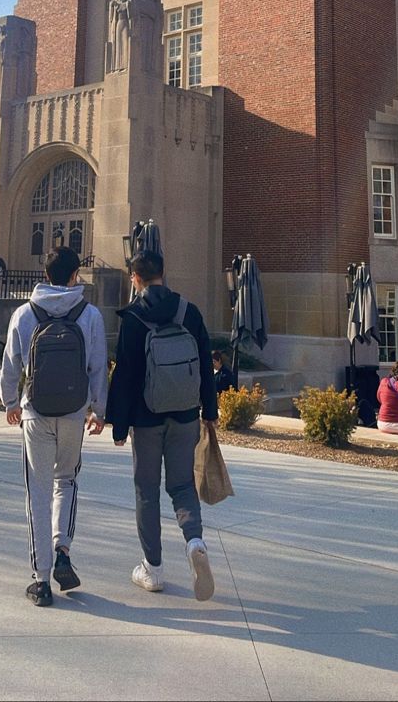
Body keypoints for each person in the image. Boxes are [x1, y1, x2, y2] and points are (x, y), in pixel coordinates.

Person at [106, 250, 218, 601]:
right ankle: (194, 542)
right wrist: (209, 411)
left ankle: (153, 569)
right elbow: (204, 364)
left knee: (147, 490)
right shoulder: (190, 312)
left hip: (145, 416)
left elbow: (124, 374)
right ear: (163, 274)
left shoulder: (134, 317)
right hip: (185, 414)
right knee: (183, 485)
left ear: (135, 278)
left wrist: (119, 426)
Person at [0, 246, 107, 608]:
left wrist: (10, 403)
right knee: (67, 480)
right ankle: (63, 548)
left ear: (44, 275)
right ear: (75, 275)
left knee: (38, 491)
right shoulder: (89, 314)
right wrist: (99, 409)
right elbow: (97, 365)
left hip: (36, 412)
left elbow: (11, 364)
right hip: (75, 412)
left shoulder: (24, 313)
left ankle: (41, 578)